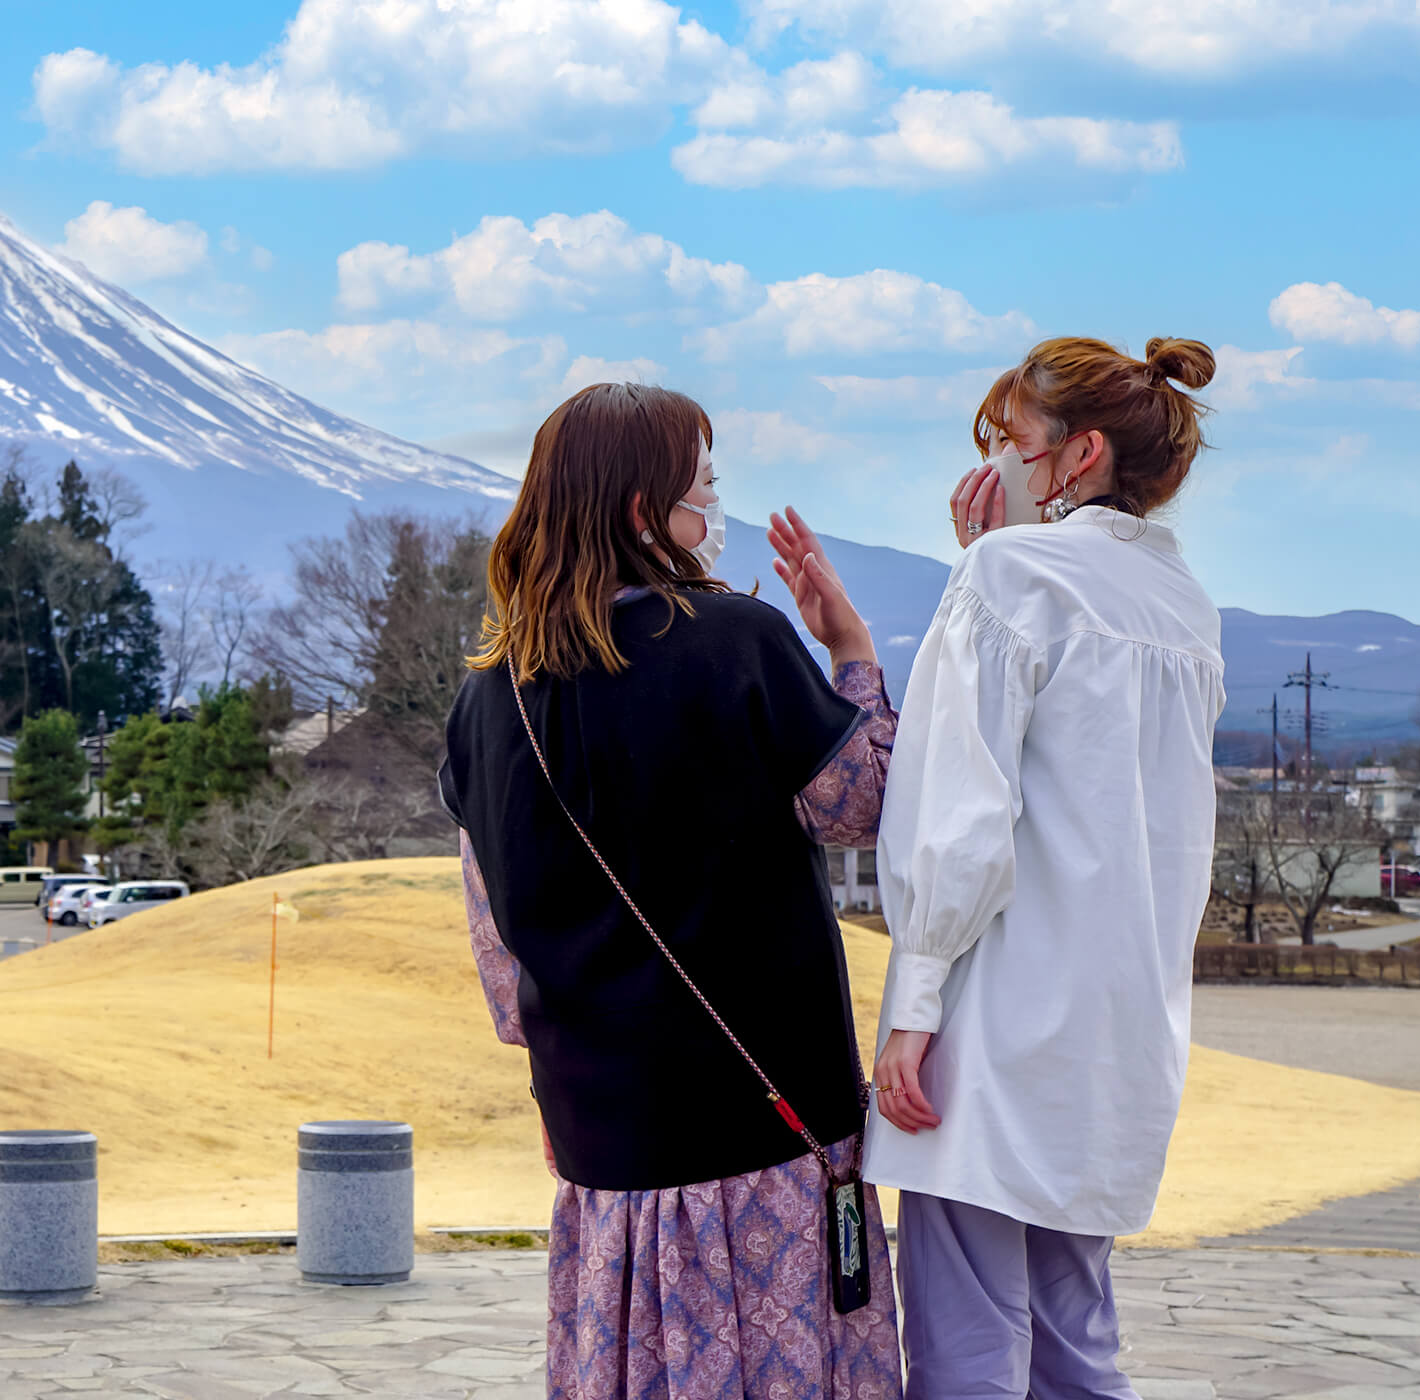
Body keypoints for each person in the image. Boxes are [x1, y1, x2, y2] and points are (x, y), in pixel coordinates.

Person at [439, 382, 903, 1399]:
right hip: (769, 1140)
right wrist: (853, 655)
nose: (713, 516)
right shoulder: (735, 639)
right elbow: (861, 804)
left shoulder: (487, 698)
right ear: (649, 514)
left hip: (603, 1157)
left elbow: (497, 960)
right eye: (706, 490)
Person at [866, 337, 1227, 1398]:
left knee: (969, 1341)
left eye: (1015, 442)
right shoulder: (1185, 610)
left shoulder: (1005, 574)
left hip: (996, 1020)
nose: (999, 467)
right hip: (1119, 1033)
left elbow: (959, 809)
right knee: (1078, 1344)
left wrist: (914, 998)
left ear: (1078, 457)